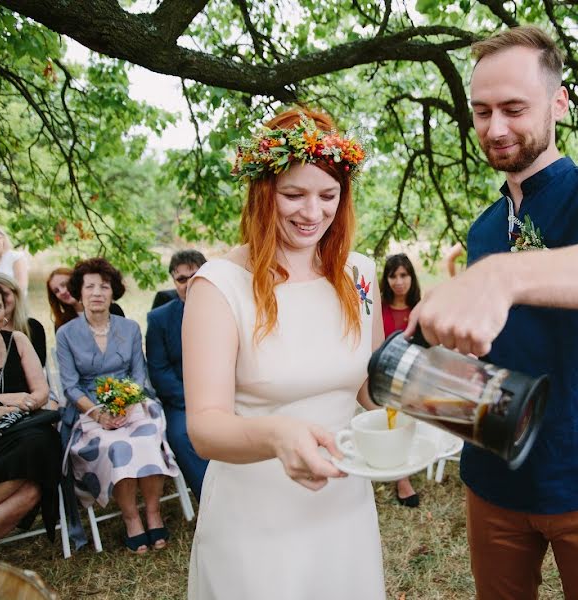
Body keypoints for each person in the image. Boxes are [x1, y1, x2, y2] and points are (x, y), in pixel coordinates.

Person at [405, 26, 578, 600]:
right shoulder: (483, 228)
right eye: (481, 111)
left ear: (559, 103)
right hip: (492, 479)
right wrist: (419, 364)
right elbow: (487, 353)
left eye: (513, 108)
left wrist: (505, 274)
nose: (494, 127)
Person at [183, 108, 385, 599]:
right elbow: (205, 427)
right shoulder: (219, 285)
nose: (312, 213)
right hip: (256, 521)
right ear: (263, 192)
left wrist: (429, 401)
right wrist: (278, 434)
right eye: (293, 195)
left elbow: (370, 386)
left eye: (328, 195)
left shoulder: (359, 274)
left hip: (344, 505)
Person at [56, 258, 179, 554]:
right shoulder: (66, 334)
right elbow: (70, 386)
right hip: (89, 409)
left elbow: (138, 373)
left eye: (104, 286)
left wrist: (125, 405)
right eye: (90, 287)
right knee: (116, 446)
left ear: (113, 293)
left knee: (147, 437)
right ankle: (131, 518)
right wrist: (99, 413)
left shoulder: (129, 328)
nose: (97, 292)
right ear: (79, 292)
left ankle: (153, 512)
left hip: (132, 401)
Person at [0, 277, 61, 553]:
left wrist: (4, 406)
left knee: (40, 442)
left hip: (19, 433)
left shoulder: (18, 340)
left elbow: (40, 393)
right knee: (31, 488)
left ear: (6, 309)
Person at [146, 249, 209, 498]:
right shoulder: (159, 319)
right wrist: (193, 401)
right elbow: (159, 371)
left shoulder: (228, 307)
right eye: (181, 279)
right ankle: (211, 501)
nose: (188, 283)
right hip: (182, 400)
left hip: (231, 392)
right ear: (174, 282)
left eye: (195, 276)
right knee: (182, 435)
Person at [379, 252, 422, 507]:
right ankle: (402, 480)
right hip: (386, 376)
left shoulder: (418, 308)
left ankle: (405, 459)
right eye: (393, 275)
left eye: (403, 275)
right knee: (393, 415)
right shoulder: (379, 309)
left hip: (413, 374)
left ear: (411, 277)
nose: (398, 281)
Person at [0, 273, 47, 367]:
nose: (0, 300)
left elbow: (39, 367)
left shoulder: (33, 327)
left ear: (16, 295)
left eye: (5, 294)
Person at [47, 267, 124, 332]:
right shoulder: (61, 323)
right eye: (56, 291)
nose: (62, 291)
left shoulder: (112, 310)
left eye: (64, 284)